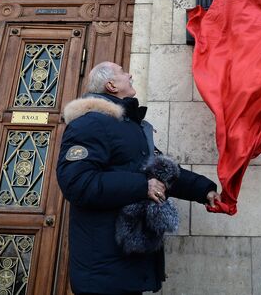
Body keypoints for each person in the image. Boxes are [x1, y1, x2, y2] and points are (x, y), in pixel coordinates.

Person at [56, 61, 221, 295]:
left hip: (128, 265)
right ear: (111, 85)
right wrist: (141, 186)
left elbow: (160, 171)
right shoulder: (90, 123)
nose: (130, 74)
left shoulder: (129, 126)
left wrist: (205, 191)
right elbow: (78, 183)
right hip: (103, 269)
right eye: (123, 72)